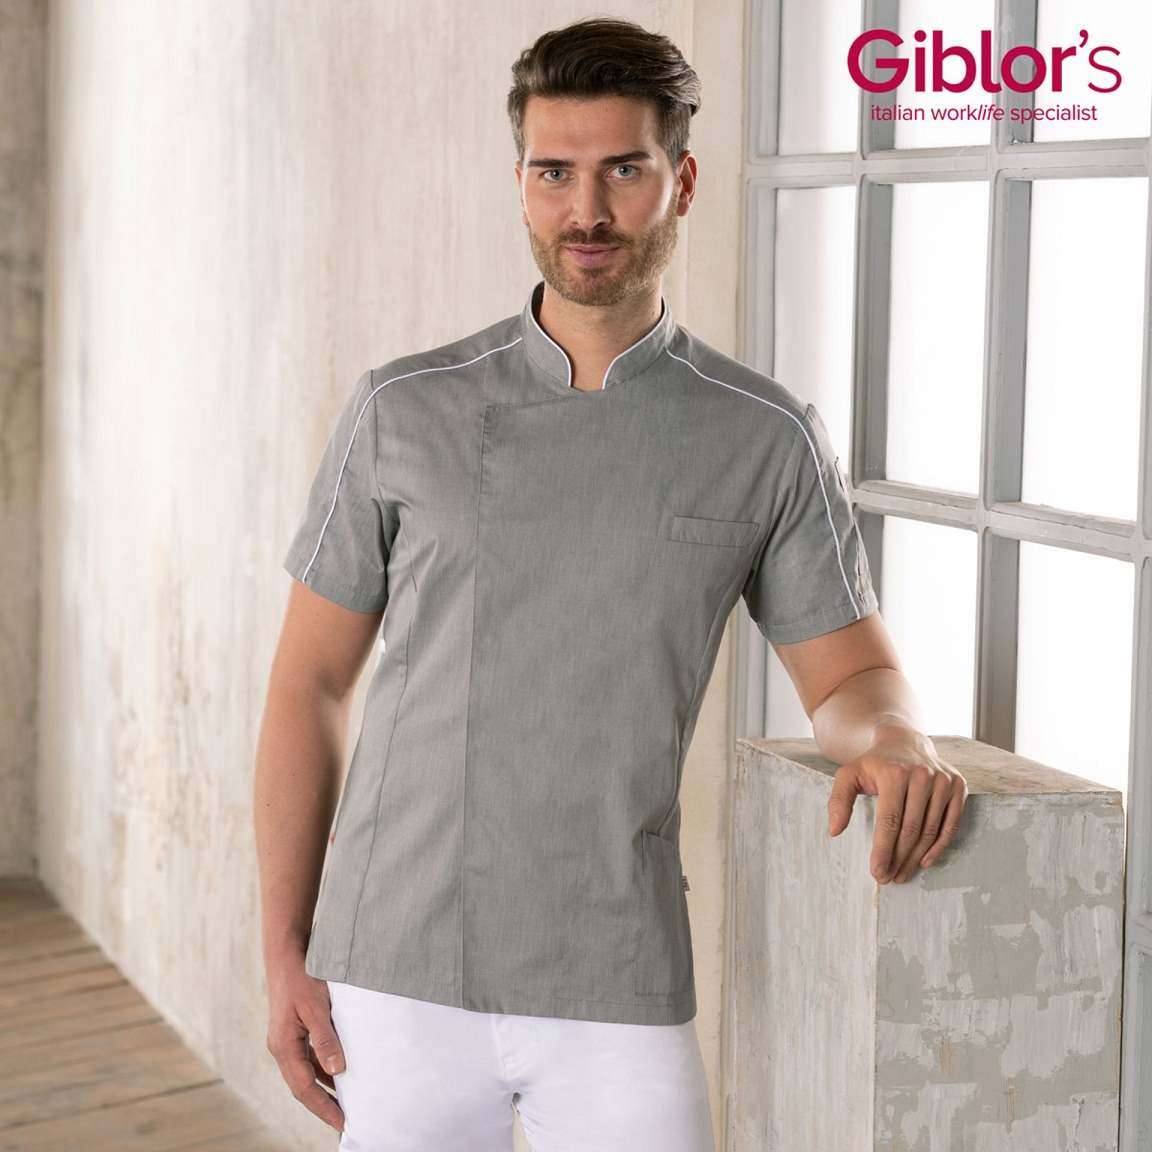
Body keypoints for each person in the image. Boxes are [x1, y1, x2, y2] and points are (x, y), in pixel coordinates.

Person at [254, 15, 968, 1152]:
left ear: (681, 181)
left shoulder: (763, 437)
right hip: (392, 969)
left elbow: (849, 675)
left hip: (617, 969)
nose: (585, 210)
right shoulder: (402, 409)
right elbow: (310, 686)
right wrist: (285, 951)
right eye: (554, 173)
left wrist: (895, 739)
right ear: (521, 184)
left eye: (623, 171)